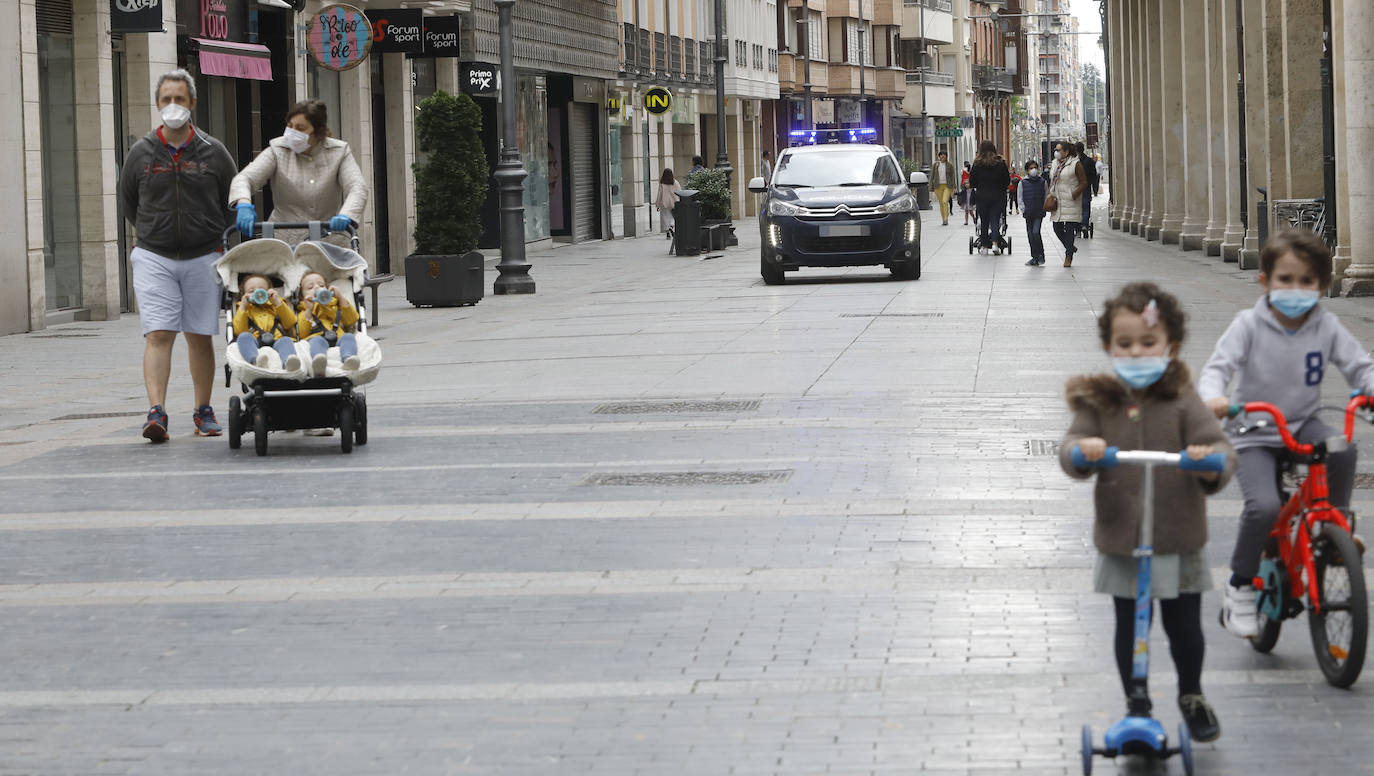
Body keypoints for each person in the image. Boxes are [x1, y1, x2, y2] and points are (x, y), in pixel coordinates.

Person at [1060, 282, 1235, 744]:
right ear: (1108, 347)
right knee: (1127, 624)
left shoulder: (1183, 398)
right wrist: (1084, 450)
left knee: (1183, 625)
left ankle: (1192, 693)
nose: (1137, 353)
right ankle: (1136, 697)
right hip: (1123, 536)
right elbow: (1070, 447)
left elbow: (1218, 445)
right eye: (1125, 344)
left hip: (1177, 534)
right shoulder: (1099, 400)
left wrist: (1208, 458)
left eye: (1148, 343)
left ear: (1169, 347)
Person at [1197, 229, 1374, 639]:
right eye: (1286, 279)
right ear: (1266, 281)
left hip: (1303, 422)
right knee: (1264, 507)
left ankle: (1336, 531)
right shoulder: (1248, 325)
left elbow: (1359, 366)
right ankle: (1239, 586)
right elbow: (1218, 369)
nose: (1296, 289)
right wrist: (1213, 398)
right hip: (1254, 430)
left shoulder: (1325, 326)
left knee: (1343, 447)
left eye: (1307, 281)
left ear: (1322, 287)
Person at [118, 69, 237, 442]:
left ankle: (203, 411)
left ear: (193, 104)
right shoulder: (140, 153)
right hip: (154, 255)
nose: (173, 106)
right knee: (158, 334)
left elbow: (232, 199)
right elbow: (129, 203)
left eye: (180, 99)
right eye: (166, 99)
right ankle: (157, 412)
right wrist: (155, 231)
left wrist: (215, 238)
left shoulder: (213, 151)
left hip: (204, 255)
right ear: (157, 104)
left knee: (200, 335)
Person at [229, 100, 367, 244]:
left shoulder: (339, 152)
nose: (293, 132)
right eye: (290, 126)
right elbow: (245, 178)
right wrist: (243, 203)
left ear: (318, 131)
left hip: (329, 238)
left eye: (300, 128)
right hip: (284, 241)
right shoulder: (278, 150)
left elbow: (357, 187)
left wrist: (346, 215)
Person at [297, 271, 361, 378]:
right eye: (310, 287)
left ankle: (349, 359)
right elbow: (301, 333)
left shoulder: (336, 305)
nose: (317, 288)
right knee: (317, 341)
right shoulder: (304, 310)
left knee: (349, 337)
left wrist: (340, 298)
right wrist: (309, 310)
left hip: (338, 336)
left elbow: (352, 320)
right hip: (316, 337)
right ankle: (319, 361)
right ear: (301, 296)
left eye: (321, 285)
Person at [232, 274, 301, 372]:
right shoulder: (244, 308)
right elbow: (239, 330)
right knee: (243, 337)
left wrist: (277, 302)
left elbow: (290, 323)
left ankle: (288, 363)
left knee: (286, 341)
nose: (257, 293)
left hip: (277, 338)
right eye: (251, 291)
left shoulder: (276, 304)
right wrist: (243, 306)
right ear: (245, 295)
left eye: (261, 290)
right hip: (255, 340)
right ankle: (254, 360)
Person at [1048, 140, 1087, 267]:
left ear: (1066, 152)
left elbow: (1083, 182)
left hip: (1071, 201)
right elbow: (1052, 180)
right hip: (1057, 200)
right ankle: (1070, 247)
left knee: (1070, 229)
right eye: (1056, 149)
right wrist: (1050, 192)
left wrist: (1074, 194)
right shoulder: (1054, 164)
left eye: (1059, 150)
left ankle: (1068, 256)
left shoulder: (1075, 164)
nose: (1056, 152)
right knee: (1056, 227)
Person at [969, 141, 1010, 254]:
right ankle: (995, 244)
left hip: (982, 196)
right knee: (995, 220)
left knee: (984, 221)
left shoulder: (977, 164)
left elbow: (972, 182)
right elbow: (1006, 180)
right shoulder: (1000, 163)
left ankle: (985, 246)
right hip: (997, 196)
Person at [1018, 159, 1049, 267]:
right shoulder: (1022, 183)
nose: (1033, 170)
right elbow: (1020, 198)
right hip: (1028, 212)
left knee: (1036, 232)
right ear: (1027, 170)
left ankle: (1041, 254)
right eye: (1031, 168)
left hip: (1039, 212)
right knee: (1030, 235)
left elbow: (1046, 196)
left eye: (1035, 168)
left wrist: (1044, 208)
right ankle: (1034, 257)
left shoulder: (1042, 182)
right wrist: (1023, 209)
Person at [1078, 142, 1100, 237]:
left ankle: (1077, 227)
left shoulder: (1073, 161)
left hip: (1075, 189)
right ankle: (1085, 225)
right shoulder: (1089, 161)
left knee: (1077, 209)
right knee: (1086, 207)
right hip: (1086, 188)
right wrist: (1095, 189)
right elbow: (1094, 176)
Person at [654, 168, 683, 242]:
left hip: (664, 203)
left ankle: (667, 231)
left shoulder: (662, 183)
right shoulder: (675, 182)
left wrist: (657, 204)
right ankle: (671, 226)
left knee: (665, 217)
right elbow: (680, 192)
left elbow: (659, 194)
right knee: (673, 216)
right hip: (674, 202)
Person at [930, 151, 956, 226]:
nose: (943, 156)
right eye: (941, 155)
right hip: (937, 186)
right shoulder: (936, 165)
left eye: (944, 155)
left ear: (946, 156)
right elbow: (932, 176)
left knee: (945, 201)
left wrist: (954, 187)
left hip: (947, 186)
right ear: (939, 156)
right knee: (941, 203)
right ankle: (943, 219)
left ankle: (946, 218)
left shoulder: (949, 165)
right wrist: (931, 186)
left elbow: (952, 176)